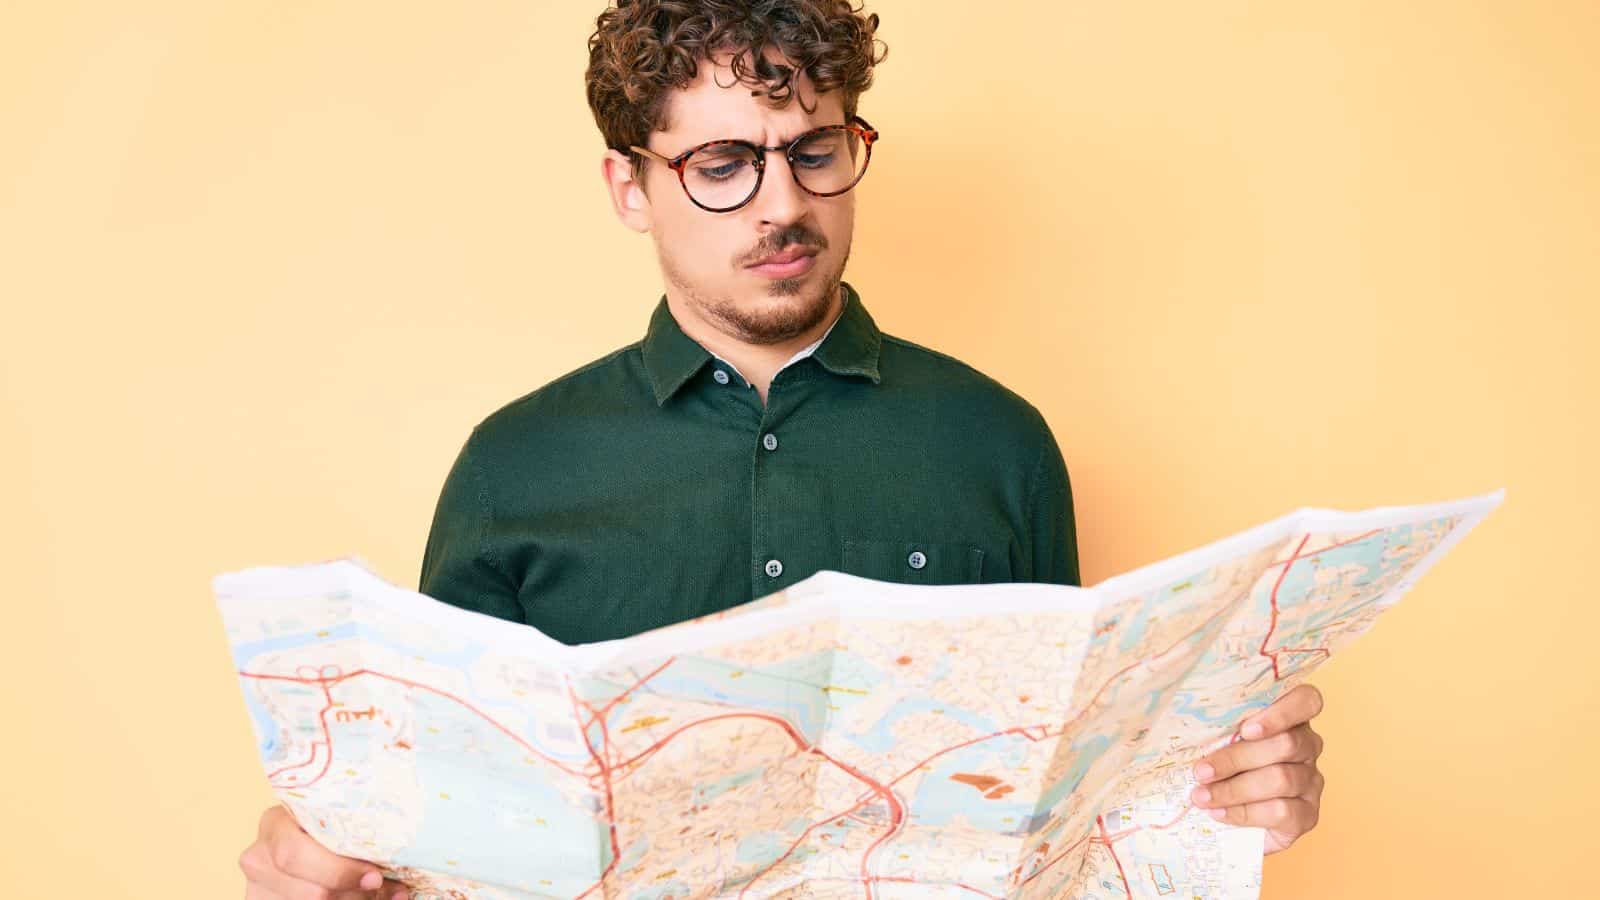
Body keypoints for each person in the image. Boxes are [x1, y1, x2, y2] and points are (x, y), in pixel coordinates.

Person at [237, 2, 1326, 897]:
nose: (783, 203)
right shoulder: (512, 465)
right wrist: (338, 865)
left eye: (814, 150)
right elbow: (438, 830)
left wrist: (1223, 800)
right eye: (721, 163)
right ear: (632, 187)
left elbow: (1056, 812)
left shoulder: (1000, 442)